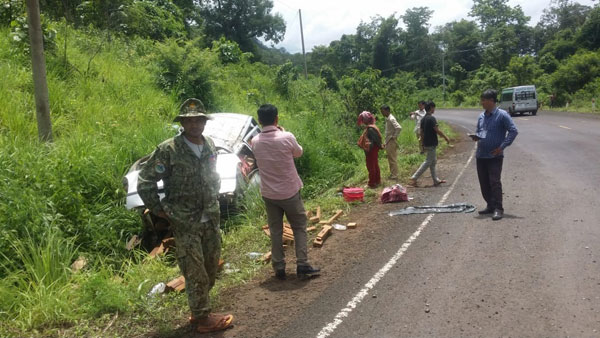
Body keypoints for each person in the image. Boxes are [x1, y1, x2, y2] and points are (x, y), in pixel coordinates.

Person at [137, 98, 233, 333]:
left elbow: (213, 174)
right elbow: (146, 179)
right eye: (189, 121)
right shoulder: (168, 149)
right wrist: (159, 209)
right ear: (182, 123)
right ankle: (202, 317)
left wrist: (214, 196)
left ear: (204, 121)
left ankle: (200, 310)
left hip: (209, 216)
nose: (195, 125)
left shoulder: (209, 144)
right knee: (194, 270)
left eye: (199, 120)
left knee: (211, 267)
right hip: (184, 220)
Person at [251, 104, 320, 280]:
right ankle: (302, 264)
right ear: (277, 118)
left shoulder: (255, 141)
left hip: (269, 194)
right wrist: (283, 132)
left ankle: (279, 267)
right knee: (299, 227)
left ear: (259, 120)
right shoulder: (286, 137)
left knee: (276, 231)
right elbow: (299, 153)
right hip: (289, 192)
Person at [469, 89, 518, 221]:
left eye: (484, 100)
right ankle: (490, 205)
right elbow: (479, 131)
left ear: (491, 101)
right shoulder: (481, 116)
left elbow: (513, 131)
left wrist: (502, 147)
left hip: (494, 156)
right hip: (481, 155)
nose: (482, 103)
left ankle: (498, 208)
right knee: (484, 183)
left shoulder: (502, 115)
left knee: (494, 182)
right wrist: (476, 137)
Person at [409, 101, 450, 187]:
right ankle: (414, 177)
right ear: (431, 108)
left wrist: (423, 143)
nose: (434, 109)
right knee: (428, 161)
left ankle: (435, 180)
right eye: (434, 108)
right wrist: (445, 137)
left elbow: (421, 132)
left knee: (433, 161)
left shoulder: (423, 119)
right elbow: (437, 130)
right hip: (431, 143)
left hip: (427, 142)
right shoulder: (432, 118)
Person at [357, 111, 383, 188]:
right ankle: (377, 181)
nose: (362, 122)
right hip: (374, 149)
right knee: (375, 165)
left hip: (372, 150)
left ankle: (372, 183)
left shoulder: (371, 129)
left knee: (371, 166)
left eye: (363, 120)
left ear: (366, 119)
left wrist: (368, 149)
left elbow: (375, 140)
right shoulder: (372, 126)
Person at [380, 104, 402, 180]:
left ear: (387, 111)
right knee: (390, 158)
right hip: (388, 141)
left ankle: (394, 175)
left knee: (392, 158)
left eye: (383, 111)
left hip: (391, 141)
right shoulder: (388, 118)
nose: (382, 113)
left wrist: (394, 136)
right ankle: (393, 173)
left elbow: (398, 127)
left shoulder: (391, 118)